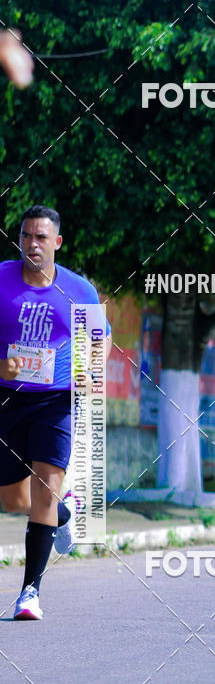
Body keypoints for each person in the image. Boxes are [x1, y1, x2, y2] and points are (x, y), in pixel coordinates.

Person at [0, 205, 112, 619]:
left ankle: (29, 593)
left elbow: (100, 339)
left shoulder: (78, 290)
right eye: (26, 236)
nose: (32, 244)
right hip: (7, 396)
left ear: (57, 242)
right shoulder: (1, 279)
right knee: (14, 498)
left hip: (56, 399)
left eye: (41, 237)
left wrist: (92, 370)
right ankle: (64, 515)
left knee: (45, 487)